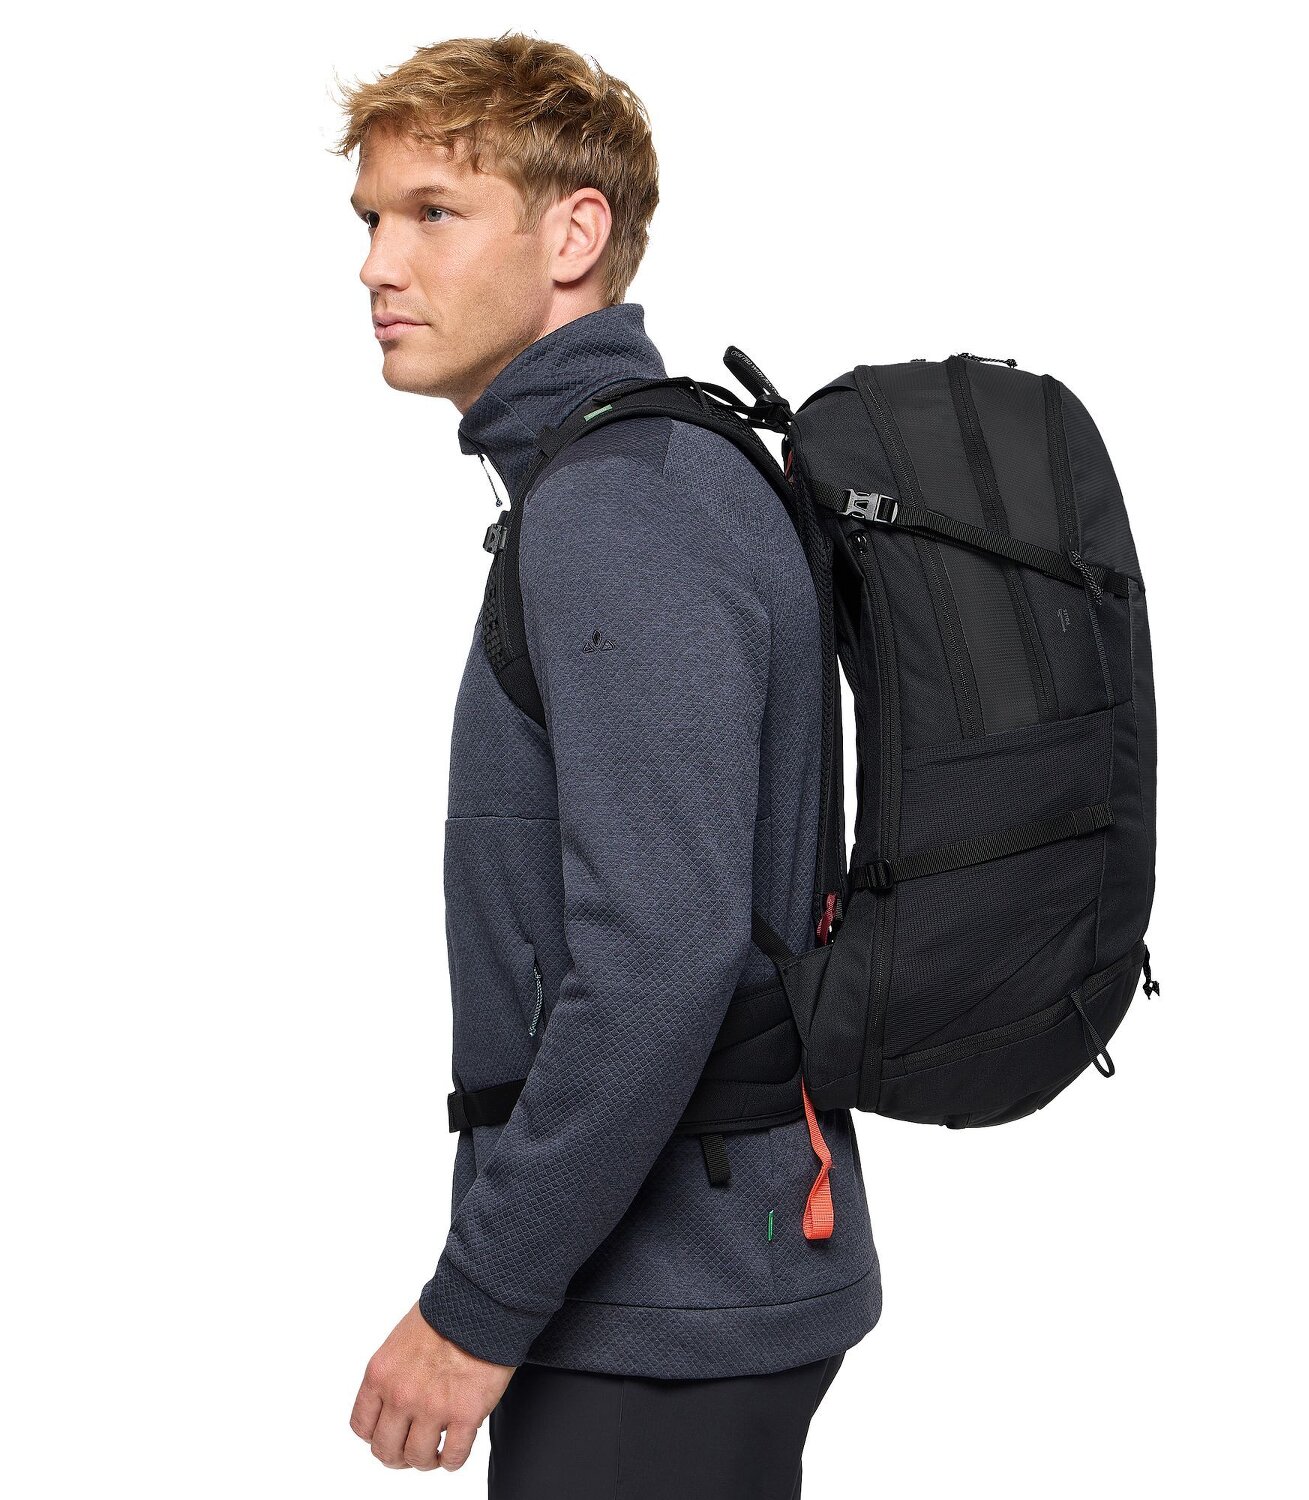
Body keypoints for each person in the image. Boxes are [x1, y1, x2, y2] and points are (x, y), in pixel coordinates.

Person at [333, 34, 881, 1497]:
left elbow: (660, 956)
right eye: (370, 219)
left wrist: (477, 1304)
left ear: (575, 234)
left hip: (669, 1307)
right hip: (697, 1277)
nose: (379, 264)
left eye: (434, 213)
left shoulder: (618, 505)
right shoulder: (648, 471)